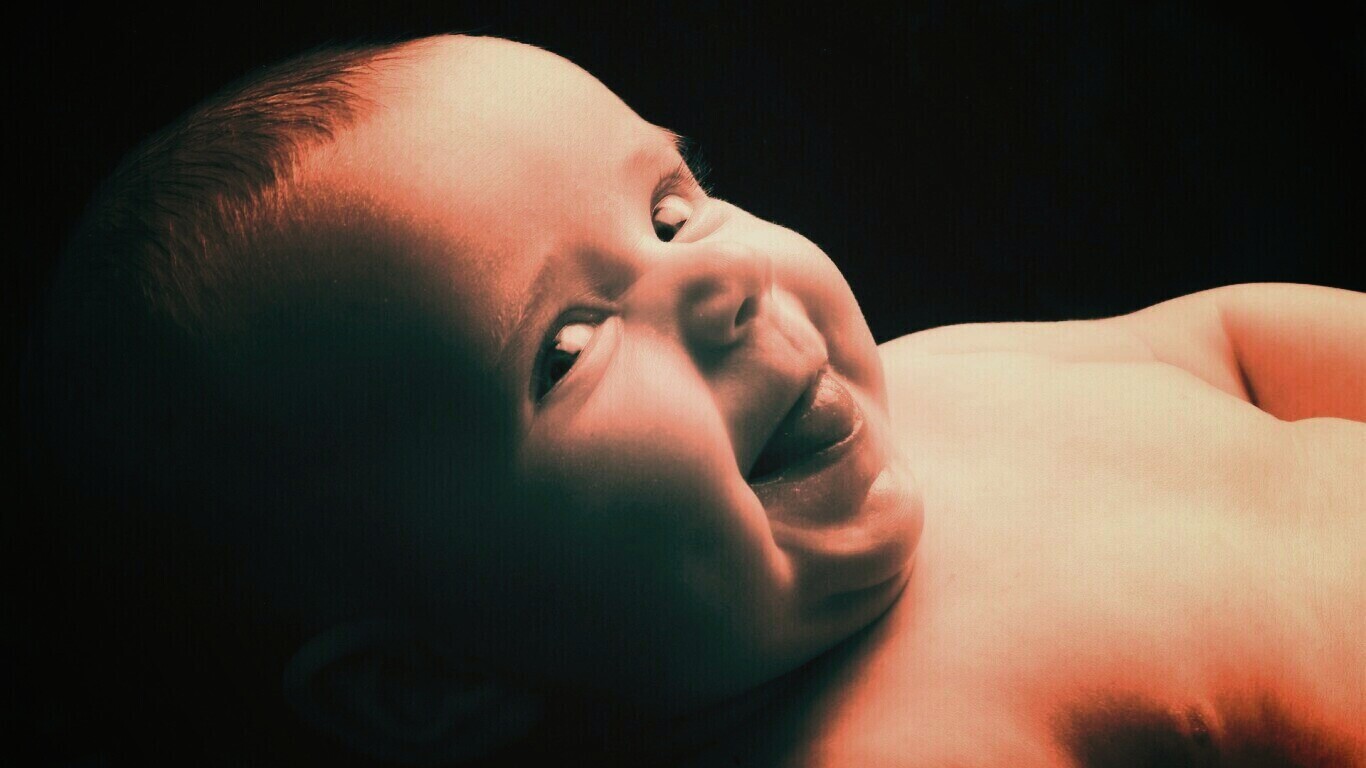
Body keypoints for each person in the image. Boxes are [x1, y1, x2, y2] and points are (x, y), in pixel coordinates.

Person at [26, 33, 1363, 766]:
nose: (720, 281)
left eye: (671, 208)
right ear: (429, 682)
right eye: (569, 345)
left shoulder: (943, 378)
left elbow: (1233, 348)